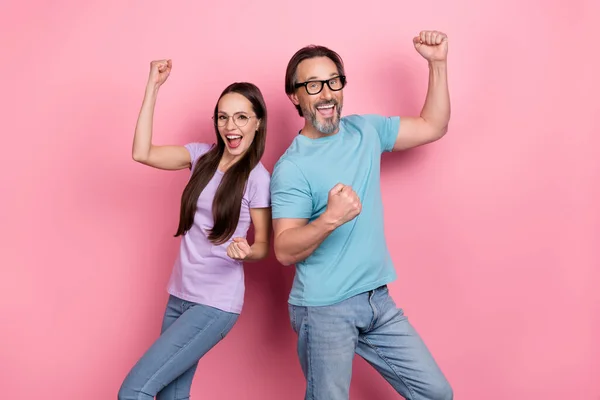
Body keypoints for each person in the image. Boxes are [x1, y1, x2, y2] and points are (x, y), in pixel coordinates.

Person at [270, 31, 453, 399]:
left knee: (436, 392)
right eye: (313, 85)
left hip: (376, 300)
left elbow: (433, 126)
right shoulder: (292, 167)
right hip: (325, 309)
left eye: (333, 81)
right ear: (295, 96)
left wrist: (437, 64)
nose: (326, 93)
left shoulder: (365, 130)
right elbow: (284, 250)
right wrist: (330, 219)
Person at [118, 59, 272, 400]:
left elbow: (262, 244)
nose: (231, 126)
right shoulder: (200, 158)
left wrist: (247, 251)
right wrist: (153, 88)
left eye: (242, 117)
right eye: (223, 117)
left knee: (134, 391)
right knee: (173, 396)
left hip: (215, 304)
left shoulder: (257, 179)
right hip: (179, 296)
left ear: (258, 123)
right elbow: (142, 153)